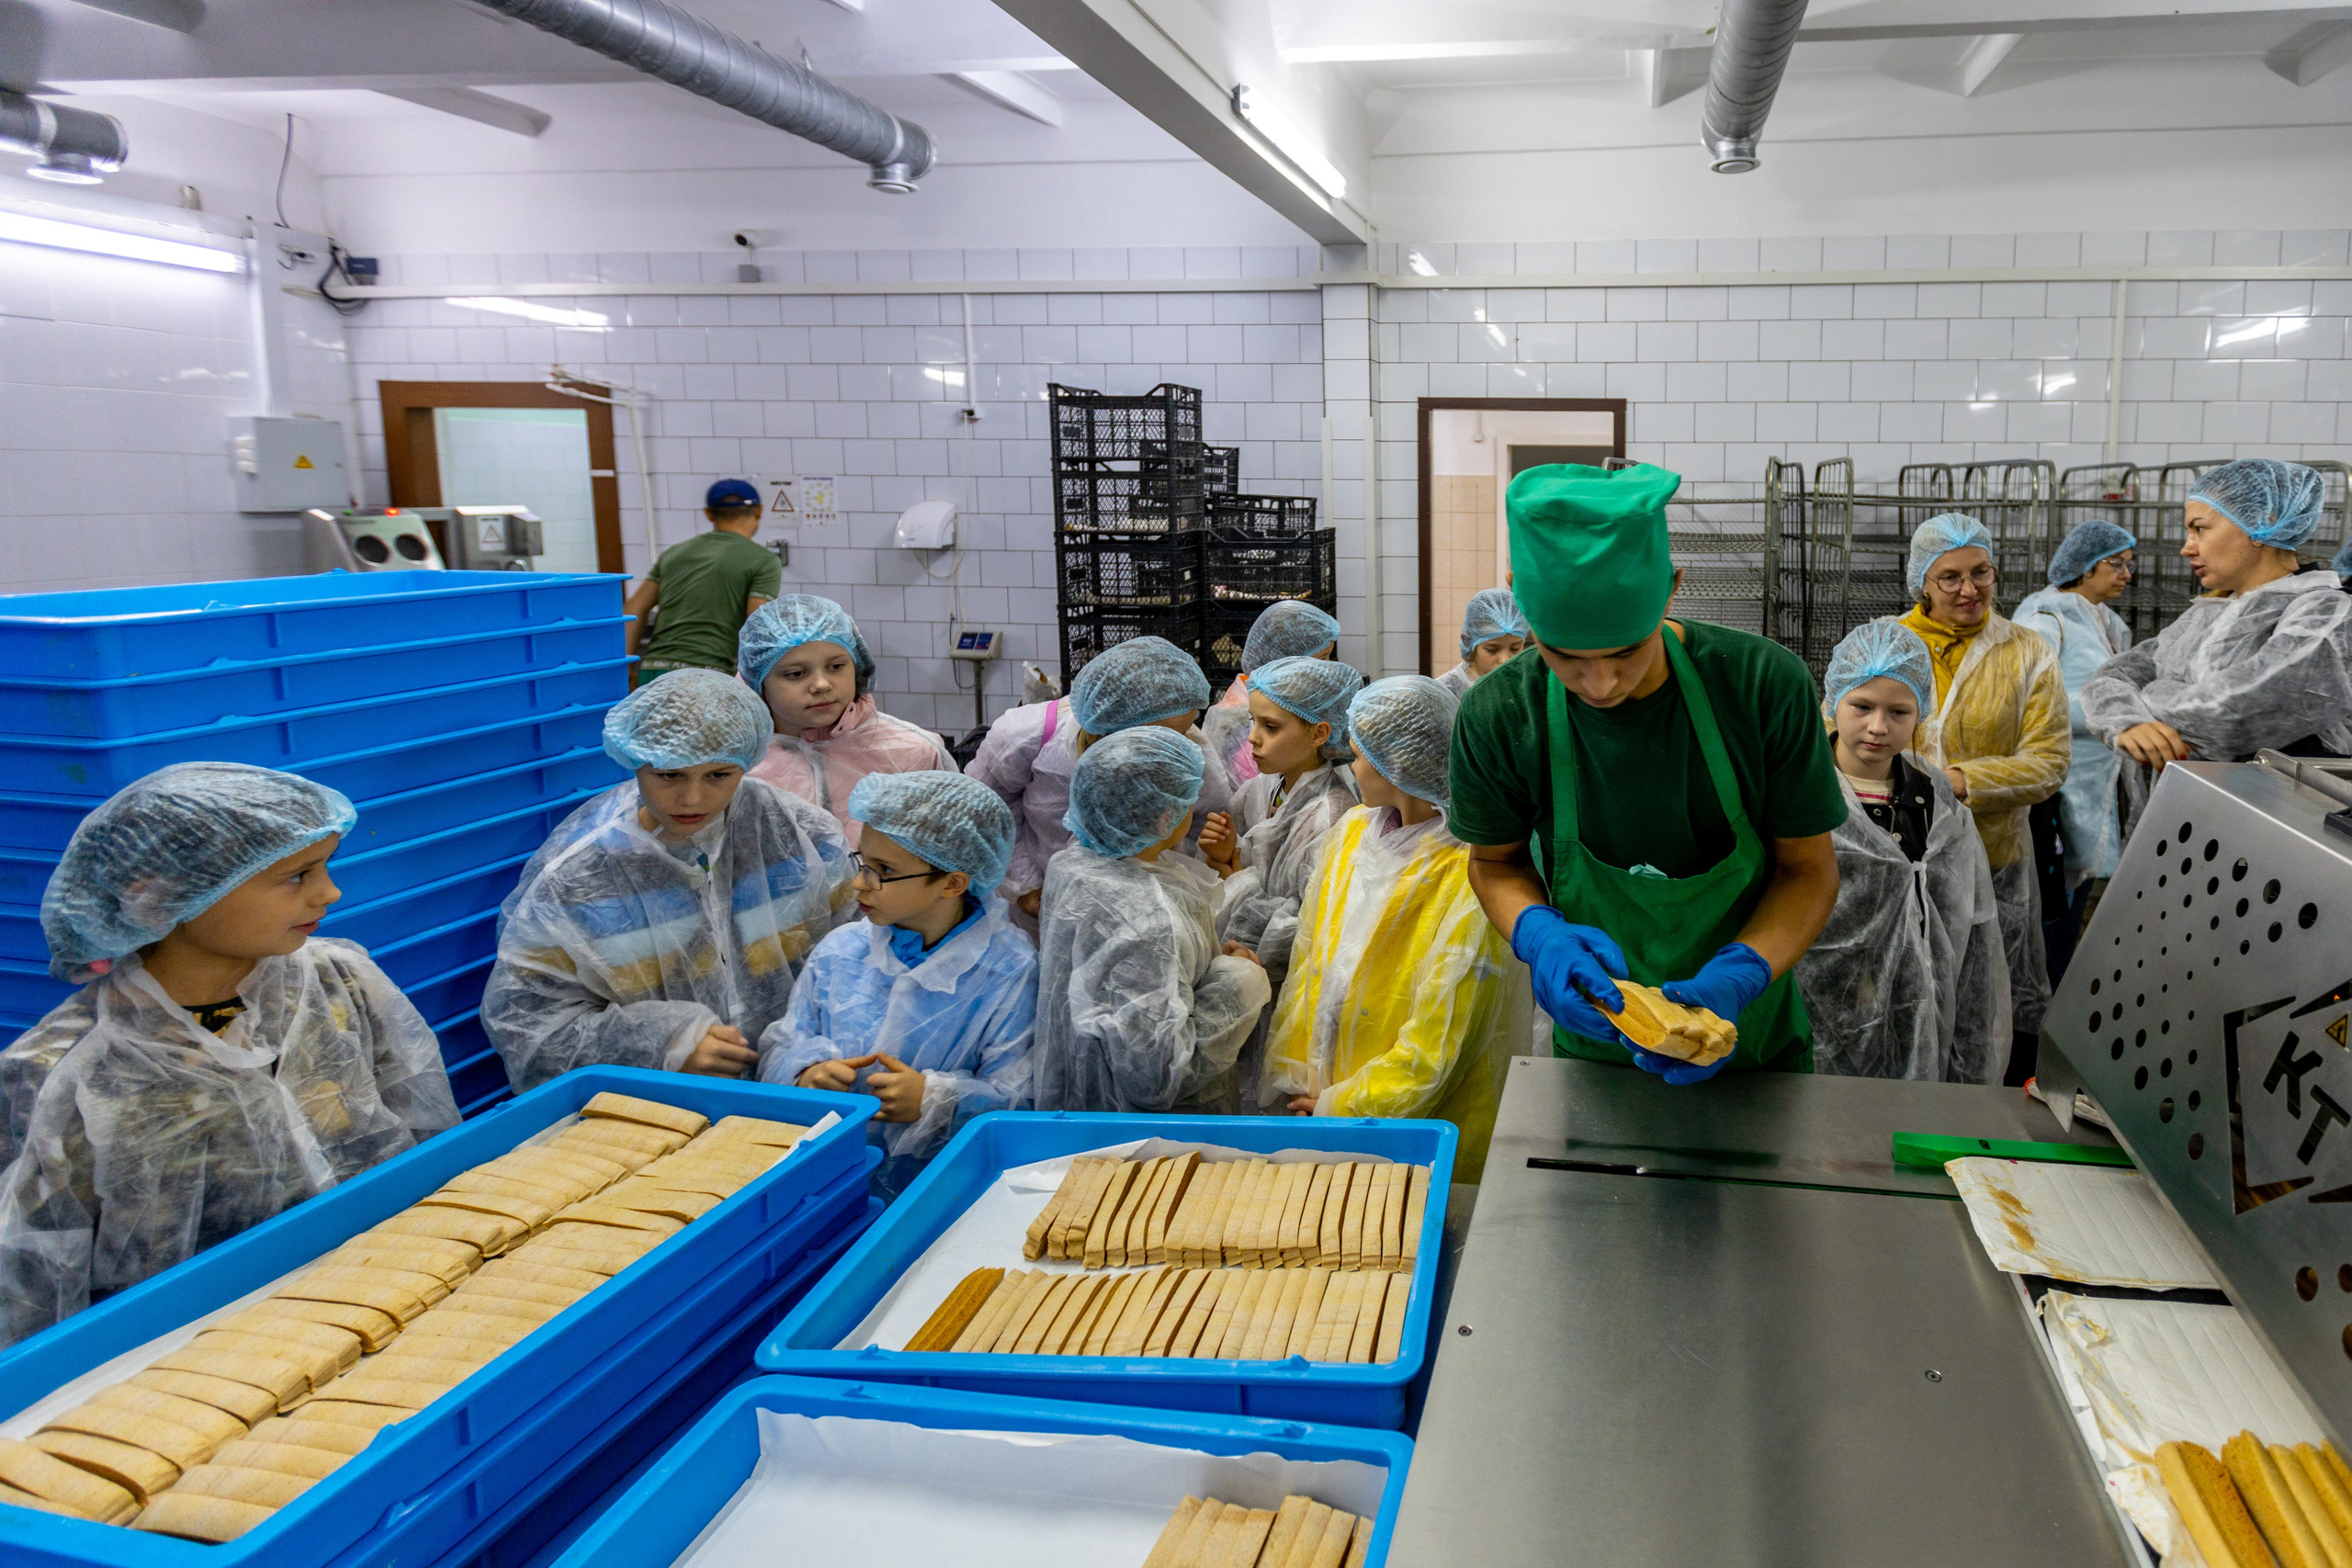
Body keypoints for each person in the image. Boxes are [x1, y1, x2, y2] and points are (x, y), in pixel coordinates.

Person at [0, 763, 458, 1347]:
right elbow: (32, 1287)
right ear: (159, 896)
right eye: (296, 876)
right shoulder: (66, 1074)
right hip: (184, 1356)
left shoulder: (340, 982)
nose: (330, 892)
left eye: (326, 866)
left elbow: (425, 1128)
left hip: (388, 1299)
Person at [1450, 464, 1847, 1085]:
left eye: (1626, 650)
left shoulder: (1762, 687)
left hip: (1751, 1051)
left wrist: (1739, 972)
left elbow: (1809, 869)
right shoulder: (1500, 711)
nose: (1600, 684)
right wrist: (1539, 933)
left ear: (1672, 587)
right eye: (1564, 655)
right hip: (1595, 1058)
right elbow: (1495, 863)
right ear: (1519, 598)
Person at [484, 669, 853, 1092]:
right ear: (634, 760)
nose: (693, 799)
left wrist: (805, 1059)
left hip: (805, 1093)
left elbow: (854, 964)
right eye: (669, 775)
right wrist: (661, 1045)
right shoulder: (579, 877)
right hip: (654, 1108)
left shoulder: (803, 838)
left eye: (719, 775)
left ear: (748, 761)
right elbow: (528, 1028)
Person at [1261, 677, 1531, 1181]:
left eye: (1361, 753)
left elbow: (1441, 1046)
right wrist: (1301, 1081)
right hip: (1324, 1107)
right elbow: (1310, 966)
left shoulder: (1471, 873)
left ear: (1399, 766)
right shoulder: (1351, 835)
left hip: (1426, 1131)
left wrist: (1347, 1105)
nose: (1351, 765)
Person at [760, 772, 1035, 1196]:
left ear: (953, 883)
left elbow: (1025, 1097)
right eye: (862, 861)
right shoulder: (842, 950)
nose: (858, 882)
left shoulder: (1009, 972)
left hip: (944, 1192)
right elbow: (786, 1039)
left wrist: (936, 1102)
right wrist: (804, 1073)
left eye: (883, 871)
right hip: (827, 1182)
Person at [1895, 513, 2069, 1084]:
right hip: (1900, 863)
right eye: (1949, 577)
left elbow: (2048, 762)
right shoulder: (1889, 644)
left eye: (1981, 572)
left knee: (1987, 1003)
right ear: (1922, 580)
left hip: (1995, 861)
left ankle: (1984, 1125)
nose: (1969, 590)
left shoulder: (2027, 651)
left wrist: (1958, 782)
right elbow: (1836, 729)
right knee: (1905, 998)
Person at [1794, 625, 2009, 1085]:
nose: (1878, 726)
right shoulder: (1803, 792)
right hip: (1823, 1007)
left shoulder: (1936, 802)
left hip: (1917, 1004)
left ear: (1920, 714)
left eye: (1898, 711)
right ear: (1833, 702)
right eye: (1862, 706)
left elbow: (1970, 928)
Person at [1029, 727, 1271, 1114]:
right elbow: (1157, 1077)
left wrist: (1203, 964)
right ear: (1164, 818)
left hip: (1077, 1106)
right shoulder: (1149, 918)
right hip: (1148, 1142)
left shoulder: (1074, 865)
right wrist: (1237, 981)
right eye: (1187, 801)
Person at [2084, 459, 2352, 773]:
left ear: (2262, 522)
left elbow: (2238, 708)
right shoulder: (2207, 613)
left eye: (2200, 529)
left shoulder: (2327, 614)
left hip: (2279, 808)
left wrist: (2143, 706)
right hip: (2192, 801)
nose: (2187, 548)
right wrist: (2127, 721)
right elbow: (2112, 677)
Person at [966, 635, 1221, 936]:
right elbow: (985, 811)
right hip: (1040, 906)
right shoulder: (1026, 739)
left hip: (1146, 909)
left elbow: (1203, 816)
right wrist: (1025, 886)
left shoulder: (1186, 741)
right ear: (1118, 730)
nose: (1183, 742)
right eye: (1167, 736)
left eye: (1187, 729)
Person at [1198, 654, 1364, 1107]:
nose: (1252, 739)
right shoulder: (1263, 791)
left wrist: (1237, 879)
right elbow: (1263, 884)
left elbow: (1309, 927)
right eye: (1253, 722)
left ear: (1319, 733)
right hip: (1253, 981)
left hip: (1287, 990)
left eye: (1271, 727)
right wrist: (1227, 859)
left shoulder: (1331, 814)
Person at [2014, 519, 2137, 978]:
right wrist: (2115, 718)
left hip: (2092, 775)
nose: (2126, 574)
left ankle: (2056, 982)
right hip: (2056, 780)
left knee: (2077, 884)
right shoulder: (2045, 619)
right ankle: (2039, 994)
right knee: (2050, 891)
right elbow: (2026, 699)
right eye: (2115, 564)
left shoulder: (2105, 621)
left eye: (2129, 565)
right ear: (2083, 568)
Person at [741, 594, 956, 845]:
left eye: (836, 667)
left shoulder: (910, 751)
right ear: (756, 681)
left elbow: (948, 852)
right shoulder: (732, 765)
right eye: (796, 674)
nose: (821, 685)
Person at [623, 479, 782, 685]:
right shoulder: (764, 561)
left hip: (655, 670)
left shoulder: (674, 554)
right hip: (709, 674)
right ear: (759, 511)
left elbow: (635, 607)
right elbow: (757, 623)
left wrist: (625, 667)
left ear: (708, 514)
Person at [1203, 602, 1342, 787]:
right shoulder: (1250, 718)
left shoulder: (1250, 691)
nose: (1328, 667)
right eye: (1323, 658)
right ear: (1285, 660)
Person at [1437, 588, 1531, 698]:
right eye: (1492, 650)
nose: (1505, 660)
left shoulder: (1528, 687)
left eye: (1515, 649)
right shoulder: (1445, 692)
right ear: (1469, 643)